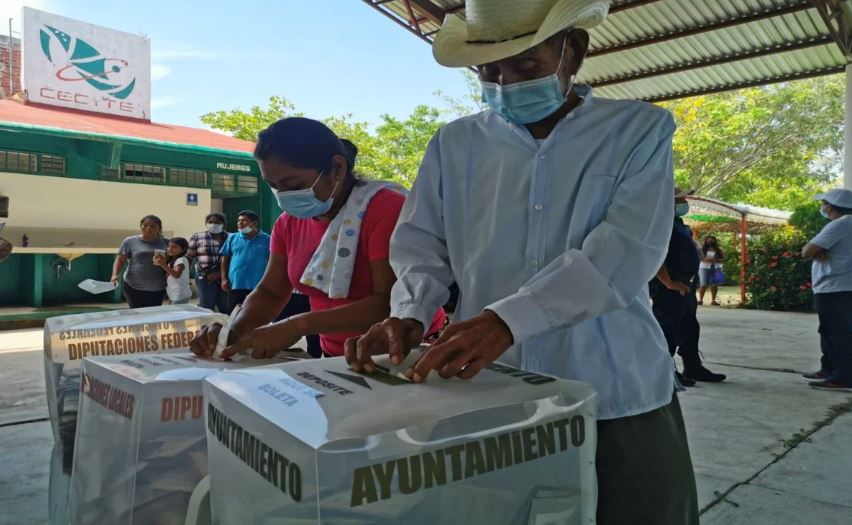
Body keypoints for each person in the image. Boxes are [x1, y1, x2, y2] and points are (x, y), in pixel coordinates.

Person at [346, 2, 697, 523]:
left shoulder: (637, 131)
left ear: (573, 52)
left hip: (614, 385)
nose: (505, 84)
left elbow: (624, 252)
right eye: (489, 72)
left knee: (641, 510)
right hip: (489, 385)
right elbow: (421, 244)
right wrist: (411, 311)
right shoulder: (455, 143)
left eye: (526, 65)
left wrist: (507, 320)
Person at [190, 118, 445, 360]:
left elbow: (390, 303)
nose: (284, 196)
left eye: (293, 185)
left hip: (403, 351)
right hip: (336, 356)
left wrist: (296, 326)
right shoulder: (289, 223)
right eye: (275, 186)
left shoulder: (386, 209)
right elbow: (270, 291)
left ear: (337, 168)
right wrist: (232, 331)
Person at [651, 190, 727, 386]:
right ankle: (665, 373)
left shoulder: (678, 223)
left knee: (689, 327)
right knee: (667, 329)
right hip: (669, 286)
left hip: (686, 284)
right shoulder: (659, 222)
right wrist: (668, 282)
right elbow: (655, 255)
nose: (685, 202)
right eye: (681, 199)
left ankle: (693, 366)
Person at [801, 188, 852, 392]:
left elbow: (807, 251)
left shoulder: (840, 224)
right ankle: (829, 369)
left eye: (823, 203)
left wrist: (816, 251)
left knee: (835, 333)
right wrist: (819, 250)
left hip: (834, 287)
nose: (822, 207)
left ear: (830, 206)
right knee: (831, 331)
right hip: (843, 286)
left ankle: (843, 377)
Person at [219, 210, 271, 313]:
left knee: (256, 312)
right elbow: (224, 260)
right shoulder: (232, 238)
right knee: (235, 313)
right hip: (236, 283)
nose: (240, 223)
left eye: (244, 221)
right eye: (238, 221)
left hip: (258, 284)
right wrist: (224, 278)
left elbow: (272, 259)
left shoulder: (266, 239)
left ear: (254, 223)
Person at [112, 215, 168, 308]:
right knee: (136, 313)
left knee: (153, 313)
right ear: (140, 226)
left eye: (152, 226)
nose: (148, 228)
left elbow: (175, 260)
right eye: (145, 225)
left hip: (159, 287)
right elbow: (120, 260)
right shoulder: (130, 241)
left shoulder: (166, 243)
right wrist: (115, 275)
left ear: (159, 228)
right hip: (133, 286)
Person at [187, 213, 229, 313]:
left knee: (226, 307)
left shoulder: (230, 237)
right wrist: (184, 276)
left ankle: (225, 323)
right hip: (205, 278)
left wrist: (219, 273)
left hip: (225, 277)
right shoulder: (197, 237)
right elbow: (189, 257)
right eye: (210, 222)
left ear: (223, 224)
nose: (213, 225)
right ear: (206, 223)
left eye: (217, 222)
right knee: (206, 307)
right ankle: (207, 324)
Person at [157, 237, 191, 305]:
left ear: (183, 249)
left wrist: (163, 264)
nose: (170, 249)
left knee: (177, 311)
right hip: (174, 292)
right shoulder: (173, 260)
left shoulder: (181, 260)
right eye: (169, 246)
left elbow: (176, 275)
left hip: (180, 294)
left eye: (174, 247)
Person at [698, 235, 724, 305]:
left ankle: (713, 300)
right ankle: (700, 300)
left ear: (715, 241)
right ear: (705, 241)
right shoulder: (702, 249)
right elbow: (699, 258)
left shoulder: (719, 250)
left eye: (712, 240)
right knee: (703, 284)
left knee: (714, 284)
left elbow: (723, 259)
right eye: (708, 240)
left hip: (716, 267)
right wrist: (705, 259)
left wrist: (716, 259)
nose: (710, 242)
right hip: (704, 267)